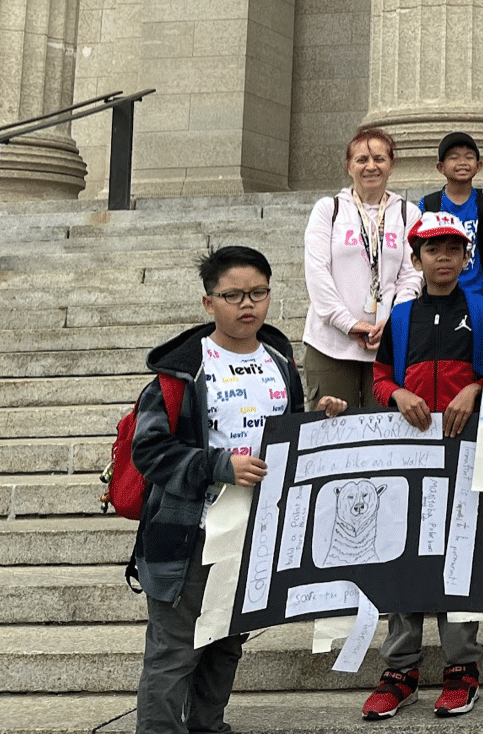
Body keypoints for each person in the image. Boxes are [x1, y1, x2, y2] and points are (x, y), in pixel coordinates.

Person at [132, 246, 344, 734]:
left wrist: (318, 419)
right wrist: (218, 465)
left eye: (258, 293)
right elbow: (150, 452)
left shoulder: (279, 360)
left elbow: (284, 436)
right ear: (209, 303)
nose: (247, 305)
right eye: (233, 295)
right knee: (173, 653)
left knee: (227, 645)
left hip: (254, 534)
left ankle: (210, 726)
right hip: (188, 535)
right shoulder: (182, 370)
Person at [365, 213, 483, 719]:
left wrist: (475, 387)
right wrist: (397, 392)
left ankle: (463, 668)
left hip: (466, 455)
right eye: (432, 249)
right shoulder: (400, 317)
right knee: (402, 555)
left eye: (453, 249)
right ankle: (401, 670)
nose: (443, 257)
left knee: (460, 555)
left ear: (467, 259)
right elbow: (377, 377)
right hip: (408, 459)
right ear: (416, 259)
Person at [303, 126, 421, 411]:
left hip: (387, 346)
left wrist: (394, 321)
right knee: (329, 430)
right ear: (348, 166)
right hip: (330, 345)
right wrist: (347, 323)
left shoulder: (408, 213)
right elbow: (317, 272)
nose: (371, 166)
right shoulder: (328, 210)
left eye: (379, 159)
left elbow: (412, 275)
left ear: (391, 165)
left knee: (380, 433)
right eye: (361, 160)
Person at [419, 131, 483, 305]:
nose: (462, 163)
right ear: (440, 167)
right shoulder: (428, 205)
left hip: (475, 296)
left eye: (469, 157)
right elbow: (417, 252)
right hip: (435, 295)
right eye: (454, 157)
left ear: (478, 166)